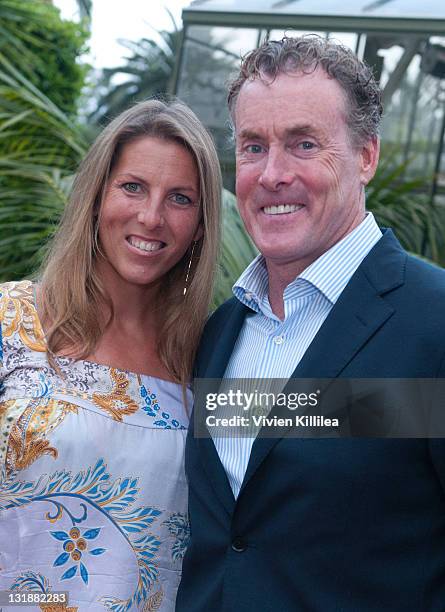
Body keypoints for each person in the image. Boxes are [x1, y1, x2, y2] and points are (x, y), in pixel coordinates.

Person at [177, 36, 445, 611]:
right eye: (253, 147)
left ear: (366, 155)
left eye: (303, 144)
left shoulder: (433, 324)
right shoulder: (221, 331)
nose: (273, 174)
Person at [0, 99, 221, 610]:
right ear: (96, 196)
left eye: (181, 198)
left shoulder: (209, 361)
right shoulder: (12, 322)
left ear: (202, 225)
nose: (151, 216)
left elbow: (350, 419)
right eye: (133, 187)